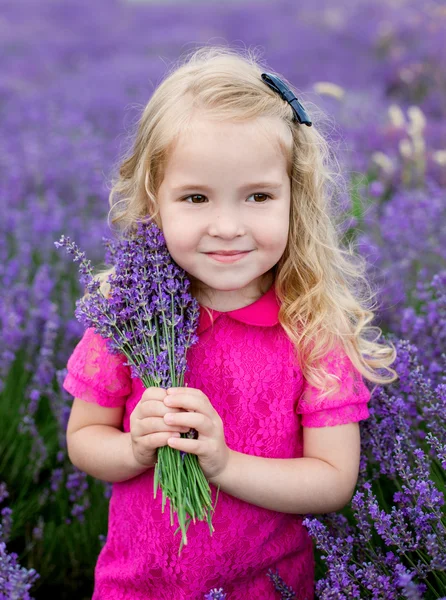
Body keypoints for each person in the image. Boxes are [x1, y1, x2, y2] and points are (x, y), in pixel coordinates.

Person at [62, 45, 398, 599]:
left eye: (258, 196)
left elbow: (333, 481)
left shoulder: (314, 331)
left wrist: (222, 463)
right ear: (154, 200)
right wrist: (134, 449)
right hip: (135, 586)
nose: (226, 226)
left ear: (297, 199)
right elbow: (83, 438)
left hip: (264, 588)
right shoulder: (127, 316)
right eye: (196, 197)